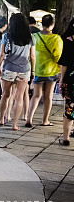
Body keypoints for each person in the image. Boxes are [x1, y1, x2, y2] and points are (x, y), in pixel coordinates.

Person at [0, 13, 35, 130]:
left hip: (9, 68)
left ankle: (2, 118)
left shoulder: (7, 36)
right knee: (19, 97)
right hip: (24, 70)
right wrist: (33, 71)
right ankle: (15, 124)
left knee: (6, 95)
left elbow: (3, 54)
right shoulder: (31, 37)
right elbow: (32, 56)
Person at [26, 14, 63, 127]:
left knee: (36, 95)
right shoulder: (56, 38)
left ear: (42, 24)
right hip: (52, 71)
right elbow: (59, 56)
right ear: (52, 25)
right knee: (48, 96)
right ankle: (45, 120)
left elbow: (30, 54)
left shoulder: (34, 36)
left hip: (37, 70)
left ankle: (29, 119)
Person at [57, 17, 74, 146]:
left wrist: (61, 80)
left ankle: (66, 138)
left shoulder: (68, 40)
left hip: (71, 79)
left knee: (70, 107)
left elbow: (64, 63)